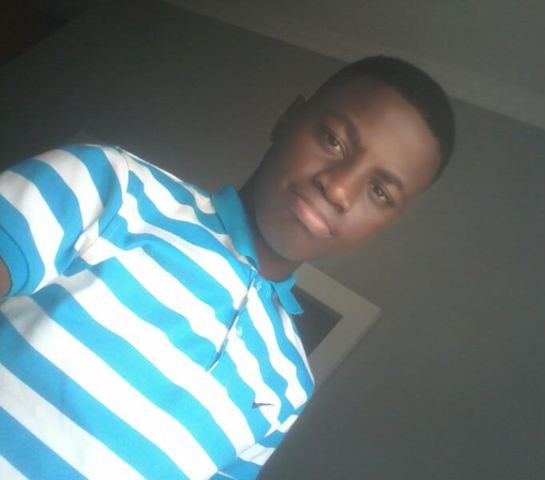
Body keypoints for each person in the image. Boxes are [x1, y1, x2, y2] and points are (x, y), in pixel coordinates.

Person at [0, 56, 455, 479]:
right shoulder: (112, 186)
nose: (338, 190)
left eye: (380, 192)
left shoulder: (291, 386)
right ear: (288, 119)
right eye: (333, 140)